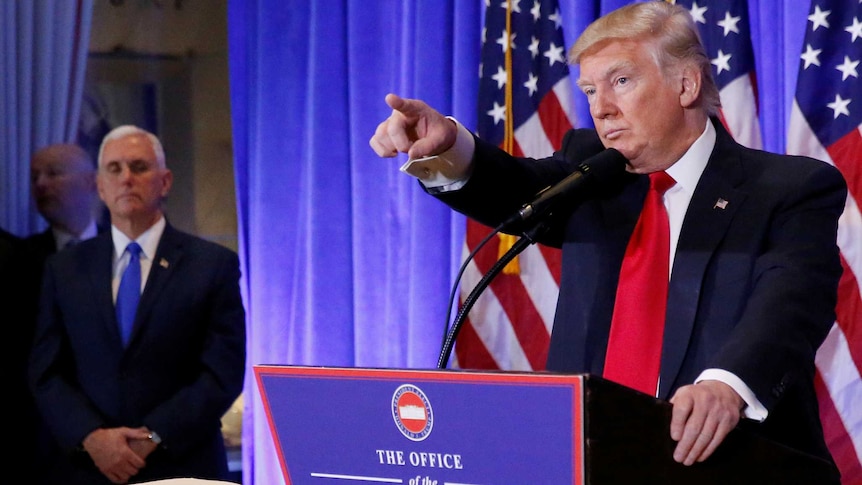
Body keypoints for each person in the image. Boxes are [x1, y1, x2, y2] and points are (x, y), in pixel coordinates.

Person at [369, 1, 845, 481]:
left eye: (621, 81)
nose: (600, 107)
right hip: (589, 464)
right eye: (590, 89)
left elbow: (793, 299)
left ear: (686, 84)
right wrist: (448, 144)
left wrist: (726, 386)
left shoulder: (786, 188)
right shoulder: (596, 173)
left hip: (730, 466)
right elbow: (517, 187)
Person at [29, 125, 246, 484]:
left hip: (181, 467)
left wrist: (153, 437)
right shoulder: (64, 268)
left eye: (139, 167)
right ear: (100, 185)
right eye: (114, 169)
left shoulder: (212, 264)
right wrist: (94, 439)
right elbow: (46, 372)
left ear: (165, 181)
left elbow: (222, 372)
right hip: (89, 469)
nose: (126, 178)